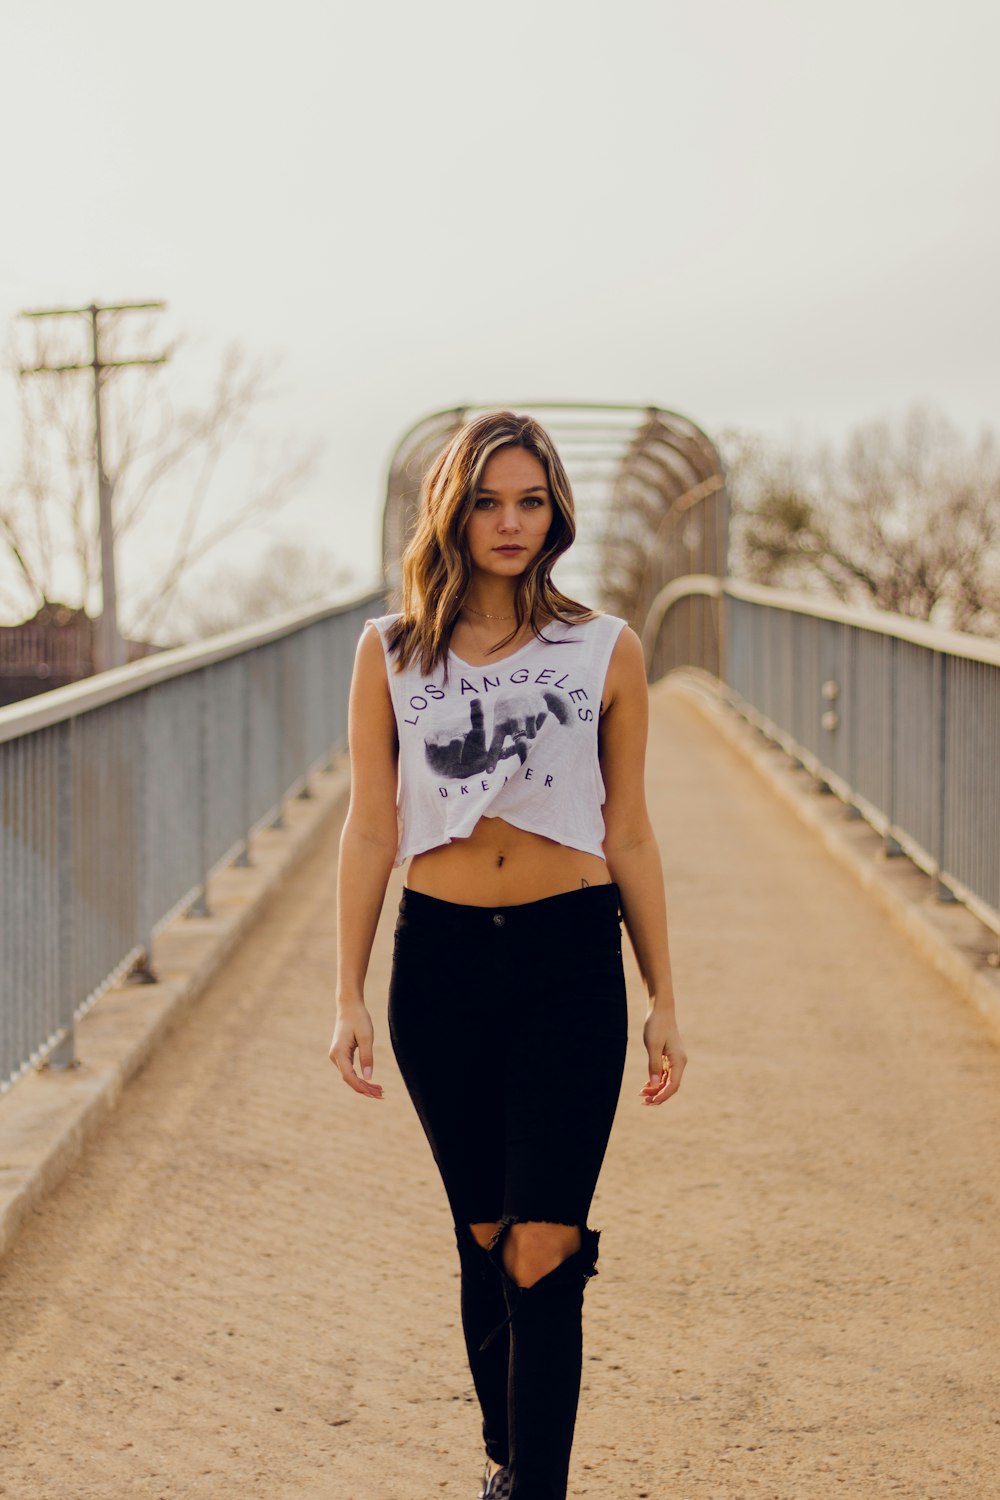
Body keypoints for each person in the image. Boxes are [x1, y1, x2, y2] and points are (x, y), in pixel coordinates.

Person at [329, 409, 687, 1500]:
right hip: (437, 967)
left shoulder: (606, 647)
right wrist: (344, 991)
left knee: (545, 1243)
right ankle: (508, 1456)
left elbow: (627, 828)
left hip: (569, 959)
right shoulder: (391, 651)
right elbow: (370, 826)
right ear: (451, 510)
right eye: (487, 500)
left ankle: (534, 1488)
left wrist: (663, 994)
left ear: (556, 512)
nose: (509, 522)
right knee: (486, 1230)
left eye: (530, 500)